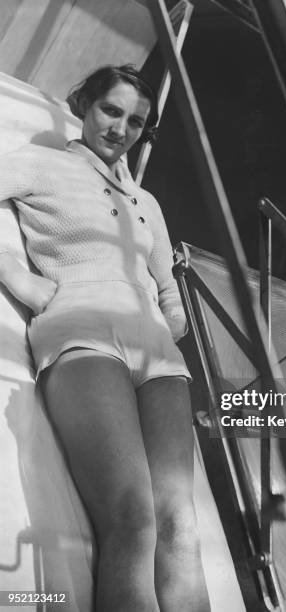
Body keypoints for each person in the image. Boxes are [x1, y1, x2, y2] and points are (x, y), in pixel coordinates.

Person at [0, 65, 211, 612]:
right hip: (82, 333)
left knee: (180, 525)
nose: (120, 128)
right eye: (110, 111)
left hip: (159, 354)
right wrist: (16, 276)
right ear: (84, 105)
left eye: (136, 121)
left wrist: (173, 308)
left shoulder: (149, 204)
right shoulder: (41, 164)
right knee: (133, 517)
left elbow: (168, 289)